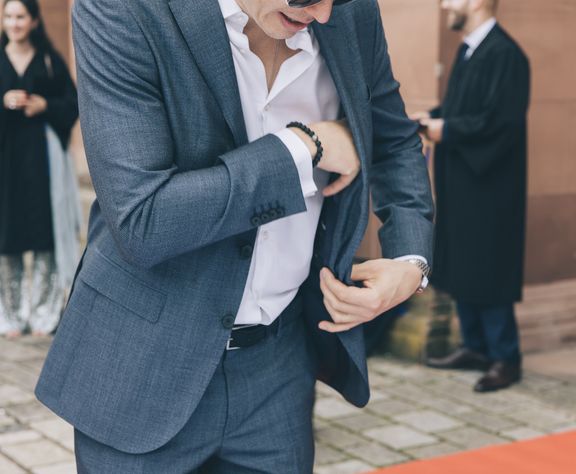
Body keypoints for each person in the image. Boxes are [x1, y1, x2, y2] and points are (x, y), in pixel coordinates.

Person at [36, 0, 434, 471]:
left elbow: (394, 140)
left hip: (279, 371)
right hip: (143, 367)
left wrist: (411, 262)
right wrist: (303, 146)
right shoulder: (123, 8)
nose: (326, 15)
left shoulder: (349, 12)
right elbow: (143, 220)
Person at [413, 0, 530, 392]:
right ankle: (476, 346)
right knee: (464, 261)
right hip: (462, 182)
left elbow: (501, 123)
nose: (446, 5)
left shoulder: (506, 55)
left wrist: (446, 129)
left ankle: (505, 357)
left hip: (491, 188)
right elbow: (460, 109)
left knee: (488, 266)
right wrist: (431, 119)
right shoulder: (469, 50)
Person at [0, 0, 80, 338]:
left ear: (34, 21)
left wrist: (44, 105)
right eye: (9, 16)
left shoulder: (49, 60)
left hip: (42, 164)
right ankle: (10, 316)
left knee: (44, 235)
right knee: (7, 238)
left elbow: (73, 102)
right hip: (6, 164)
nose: (14, 23)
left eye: (20, 16)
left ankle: (45, 314)